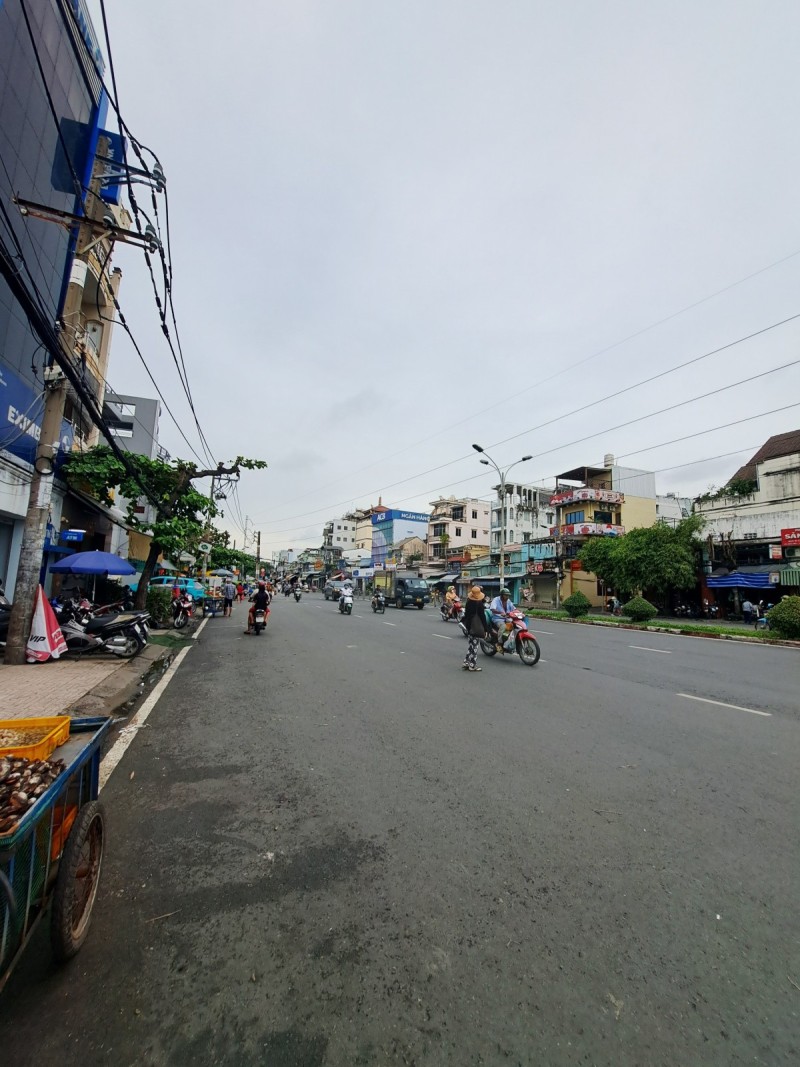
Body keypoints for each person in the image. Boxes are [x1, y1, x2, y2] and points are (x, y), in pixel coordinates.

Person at [462, 583, 486, 672]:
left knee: (471, 645)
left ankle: (466, 662)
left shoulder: (468, 602)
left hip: (469, 626)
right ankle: (472, 665)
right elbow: (483, 617)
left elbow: (466, 615)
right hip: (476, 627)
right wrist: (486, 629)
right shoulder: (479, 604)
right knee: (475, 647)